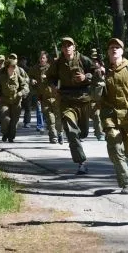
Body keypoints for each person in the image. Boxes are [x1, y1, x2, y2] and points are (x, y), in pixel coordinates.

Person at [97, 38, 128, 194]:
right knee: (115, 150)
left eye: (117, 47)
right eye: (111, 47)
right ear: (108, 52)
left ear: (122, 51)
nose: (114, 49)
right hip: (111, 117)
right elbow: (95, 97)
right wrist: (99, 79)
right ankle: (126, 183)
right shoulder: (102, 72)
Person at [47, 37, 95, 175]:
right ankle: (81, 162)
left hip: (83, 99)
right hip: (66, 100)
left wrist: (86, 77)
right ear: (62, 48)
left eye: (70, 45)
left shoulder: (83, 59)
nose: (67, 47)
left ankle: (78, 142)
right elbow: (50, 77)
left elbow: (95, 73)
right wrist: (54, 86)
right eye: (64, 45)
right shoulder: (58, 63)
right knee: (71, 131)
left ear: (74, 47)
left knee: (83, 132)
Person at [28, 51, 63, 144]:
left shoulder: (52, 67)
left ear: (47, 59)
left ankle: (60, 133)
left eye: (43, 58)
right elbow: (28, 78)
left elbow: (59, 76)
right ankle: (53, 136)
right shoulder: (35, 69)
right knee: (49, 118)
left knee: (58, 117)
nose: (41, 60)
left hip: (56, 96)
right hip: (44, 97)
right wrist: (32, 80)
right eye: (40, 58)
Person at [0, 58, 29, 142]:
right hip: (4, 101)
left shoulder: (18, 77)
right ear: (7, 67)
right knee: (5, 118)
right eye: (11, 66)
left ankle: (11, 137)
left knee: (14, 122)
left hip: (16, 102)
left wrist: (21, 93)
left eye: (14, 66)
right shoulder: (2, 77)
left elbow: (26, 87)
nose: (13, 68)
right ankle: (5, 133)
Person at [90, 48, 105, 141]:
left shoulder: (103, 68)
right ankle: (99, 132)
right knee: (96, 116)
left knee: (101, 116)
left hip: (102, 95)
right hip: (93, 96)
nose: (95, 62)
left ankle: (101, 132)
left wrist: (102, 72)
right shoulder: (89, 68)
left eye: (96, 60)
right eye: (93, 59)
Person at [18, 55, 32, 128]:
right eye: (22, 60)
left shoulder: (29, 70)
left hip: (27, 91)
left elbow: (32, 79)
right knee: (17, 107)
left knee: (27, 108)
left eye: (24, 60)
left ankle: (27, 122)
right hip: (18, 91)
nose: (23, 62)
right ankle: (16, 121)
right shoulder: (16, 69)